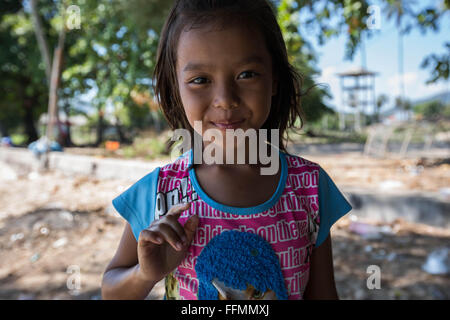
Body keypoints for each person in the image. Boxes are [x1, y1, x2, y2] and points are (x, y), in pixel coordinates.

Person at [101, 0, 352, 300]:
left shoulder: (309, 187)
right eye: (200, 80)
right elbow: (111, 291)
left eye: (247, 74)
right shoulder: (161, 192)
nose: (225, 99)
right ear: (175, 89)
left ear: (274, 79)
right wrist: (145, 274)